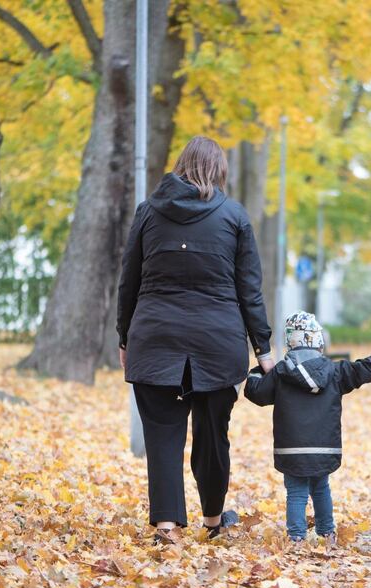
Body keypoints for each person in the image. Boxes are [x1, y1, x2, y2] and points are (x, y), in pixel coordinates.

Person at [117, 136, 274, 544]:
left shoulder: (148, 213)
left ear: (180, 166)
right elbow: (249, 291)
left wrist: (124, 337)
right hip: (217, 342)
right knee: (212, 433)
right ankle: (213, 519)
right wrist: (264, 349)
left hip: (154, 337)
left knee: (162, 436)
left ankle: (166, 525)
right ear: (218, 171)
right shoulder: (234, 217)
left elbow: (128, 282)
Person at [244, 311, 371, 542]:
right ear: (318, 342)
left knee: (296, 492)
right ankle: (327, 533)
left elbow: (256, 393)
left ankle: (296, 538)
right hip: (325, 448)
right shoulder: (336, 372)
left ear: (290, 344)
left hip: (291, 450)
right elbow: (364, 370)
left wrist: (257, 371)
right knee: (321, 488)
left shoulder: (280, 374)